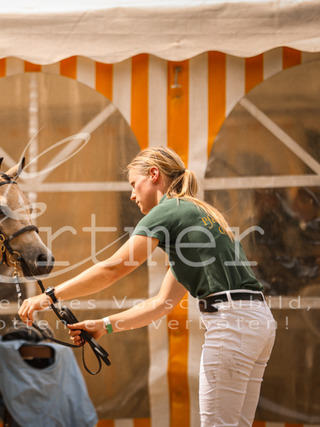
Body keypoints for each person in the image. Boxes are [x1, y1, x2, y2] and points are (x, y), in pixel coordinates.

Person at [19, 146, 276, 427]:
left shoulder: (167, 211)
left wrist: (50, 296)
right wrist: (104, 325)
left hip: (232, 324)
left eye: (134, 183)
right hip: (257, 322)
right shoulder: (197, 213)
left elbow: (113, 269)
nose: (132, 195)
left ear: (154, 175)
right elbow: (161, 304)